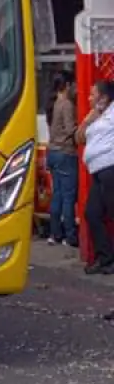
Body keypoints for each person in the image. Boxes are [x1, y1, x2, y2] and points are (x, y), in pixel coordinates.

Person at [78, 80, 114, 275]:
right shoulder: (97, 116)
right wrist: (88, 118)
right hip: (97, 172)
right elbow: (79, 137)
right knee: (92, 213)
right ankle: (105, 258)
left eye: (93, 94)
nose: (89, 98)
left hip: (110, 168)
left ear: (104, 97)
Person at [46, 73, 80, 247]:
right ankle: (70, 236)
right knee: (68, 197)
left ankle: (54, 234)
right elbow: (70, 129)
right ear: (67, 85)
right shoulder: (66, 104)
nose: (76, 89)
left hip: (52, 152)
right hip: (65, 153)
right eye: (73, 85)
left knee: (57, 195)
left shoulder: (52, 104)